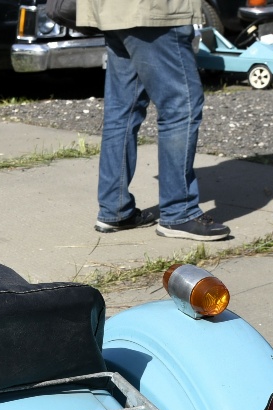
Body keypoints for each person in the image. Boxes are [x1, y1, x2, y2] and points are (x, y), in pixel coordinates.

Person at [78, 0, 229, 241]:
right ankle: (179, 212)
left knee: (123, 109)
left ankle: (114, 208)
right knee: (180, 105)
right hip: (155, 11)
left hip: (111, 10)